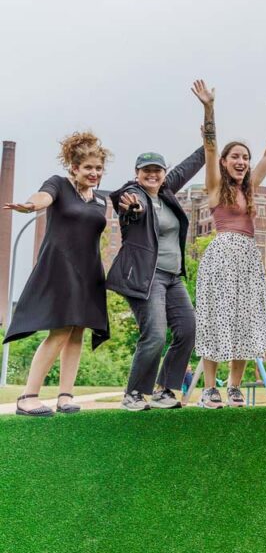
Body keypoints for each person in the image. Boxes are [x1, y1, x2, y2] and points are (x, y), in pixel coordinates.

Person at [108, 84, 207, 412]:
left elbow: (200, 157)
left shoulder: (166, 191)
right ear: (137, 174)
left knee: (188, 329)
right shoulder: (132, 194)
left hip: (172, 277)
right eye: (146, 170)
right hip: (145, 279)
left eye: (158, 170)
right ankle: (134, 393)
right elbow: (122, 201)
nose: (152, 175)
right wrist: (130, 205)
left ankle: (165, 389)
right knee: (155, 335)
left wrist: (209, 114)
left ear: (164, 174)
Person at [3, 132, 112, 416]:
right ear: (74, 168)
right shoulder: (59, 185)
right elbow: (43, 197)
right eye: (88, 167)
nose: (94, 173)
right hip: (61, 266)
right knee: (61, 329)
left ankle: (65, 396)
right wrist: (30, 204)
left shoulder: (100, 200)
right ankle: (28, 397)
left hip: (89, 271)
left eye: (98, 168)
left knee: (77, 330)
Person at [192, 83, 266, 410]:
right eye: (236, 156)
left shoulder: (251, 186)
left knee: (245, 321)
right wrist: (209, 108)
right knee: (216, 319)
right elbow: (209, 146)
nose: (242, 161)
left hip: (247, 258)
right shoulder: (216, 187)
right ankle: (209, 389)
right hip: (221, 257)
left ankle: (233, 387)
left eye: (245, 157)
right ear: (225, 161)